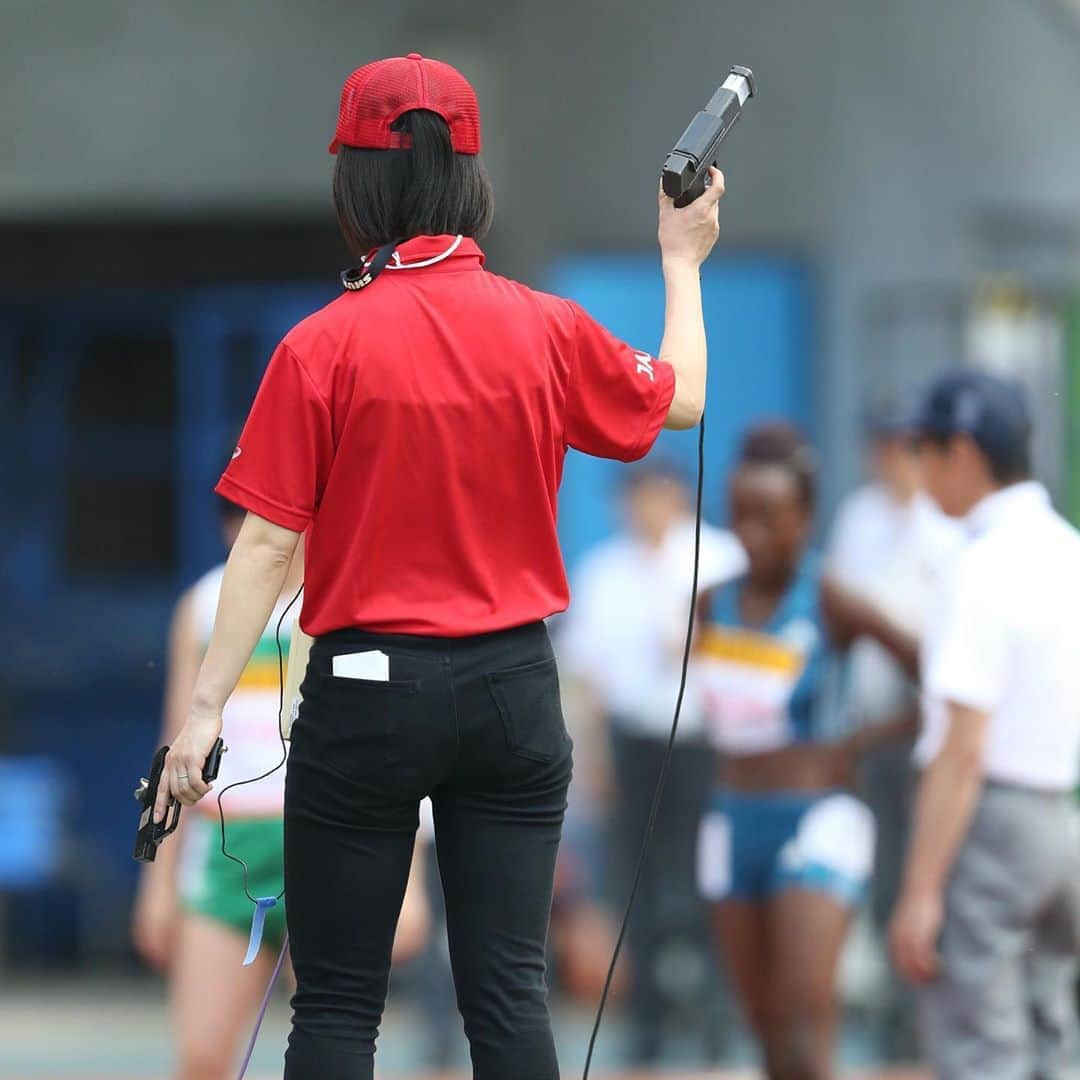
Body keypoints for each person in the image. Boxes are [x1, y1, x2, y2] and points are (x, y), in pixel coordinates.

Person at [153, 52, 724, 1080]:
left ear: (355, 182)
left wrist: (202, 715)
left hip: (369, 688)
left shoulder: (321, 348)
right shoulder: (543, 325)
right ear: (470, 176)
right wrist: (680, 258)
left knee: (337, 1005)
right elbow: (676, 399)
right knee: (509, 997)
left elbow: (271, 545)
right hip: (513, 684)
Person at [131, 498, 431, 1080]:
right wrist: (156, 882)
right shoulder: (201, 607)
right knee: (200, 1057)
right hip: (228, 858)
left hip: (329, 845)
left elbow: (396, 748)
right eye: (235, 517)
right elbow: (173, 743)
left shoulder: (356, 604)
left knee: (332, 1050)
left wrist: (411, 883)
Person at [884, 371, 1080, 1078]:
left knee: (980, 1049)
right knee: (1047, 1035)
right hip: (1056, 818)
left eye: (924, 450)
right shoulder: (1067, 547)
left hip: (989, 825)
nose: (919, 469)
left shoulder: (979, 565)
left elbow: (963, 749)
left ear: (960, 452)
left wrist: (920, 890)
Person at [695, 422, 879, 1080]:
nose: (751, 533)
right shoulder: (711, 599)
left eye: (770, 518)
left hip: (815, 819)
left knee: (804, 1018)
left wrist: (856, 742)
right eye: (740, 516)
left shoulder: (827, 596)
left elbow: (934, 668)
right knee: (767, 1030)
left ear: (804, 517)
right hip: (732, 819)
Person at [559, 460, 745, 1064]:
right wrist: (591, 764)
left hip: (704, 741)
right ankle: (649, 1028)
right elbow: (588, 679)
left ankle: (715, 1023)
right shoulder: (605, 572)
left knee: (704, 880)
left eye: (652, 496)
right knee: (634, 883)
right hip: (633, 740)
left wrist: (698, 640)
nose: (641, 509)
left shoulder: (718, 559)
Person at [825, 407, 961, 1057]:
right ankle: (899, 1016)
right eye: (881, 451)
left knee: (931, 868)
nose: (890, 464)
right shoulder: (859, 517)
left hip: (929, 724)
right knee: (884, 873)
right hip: (875, 724)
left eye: (902, 451)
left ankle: (929, 1014)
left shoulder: (942, 528)